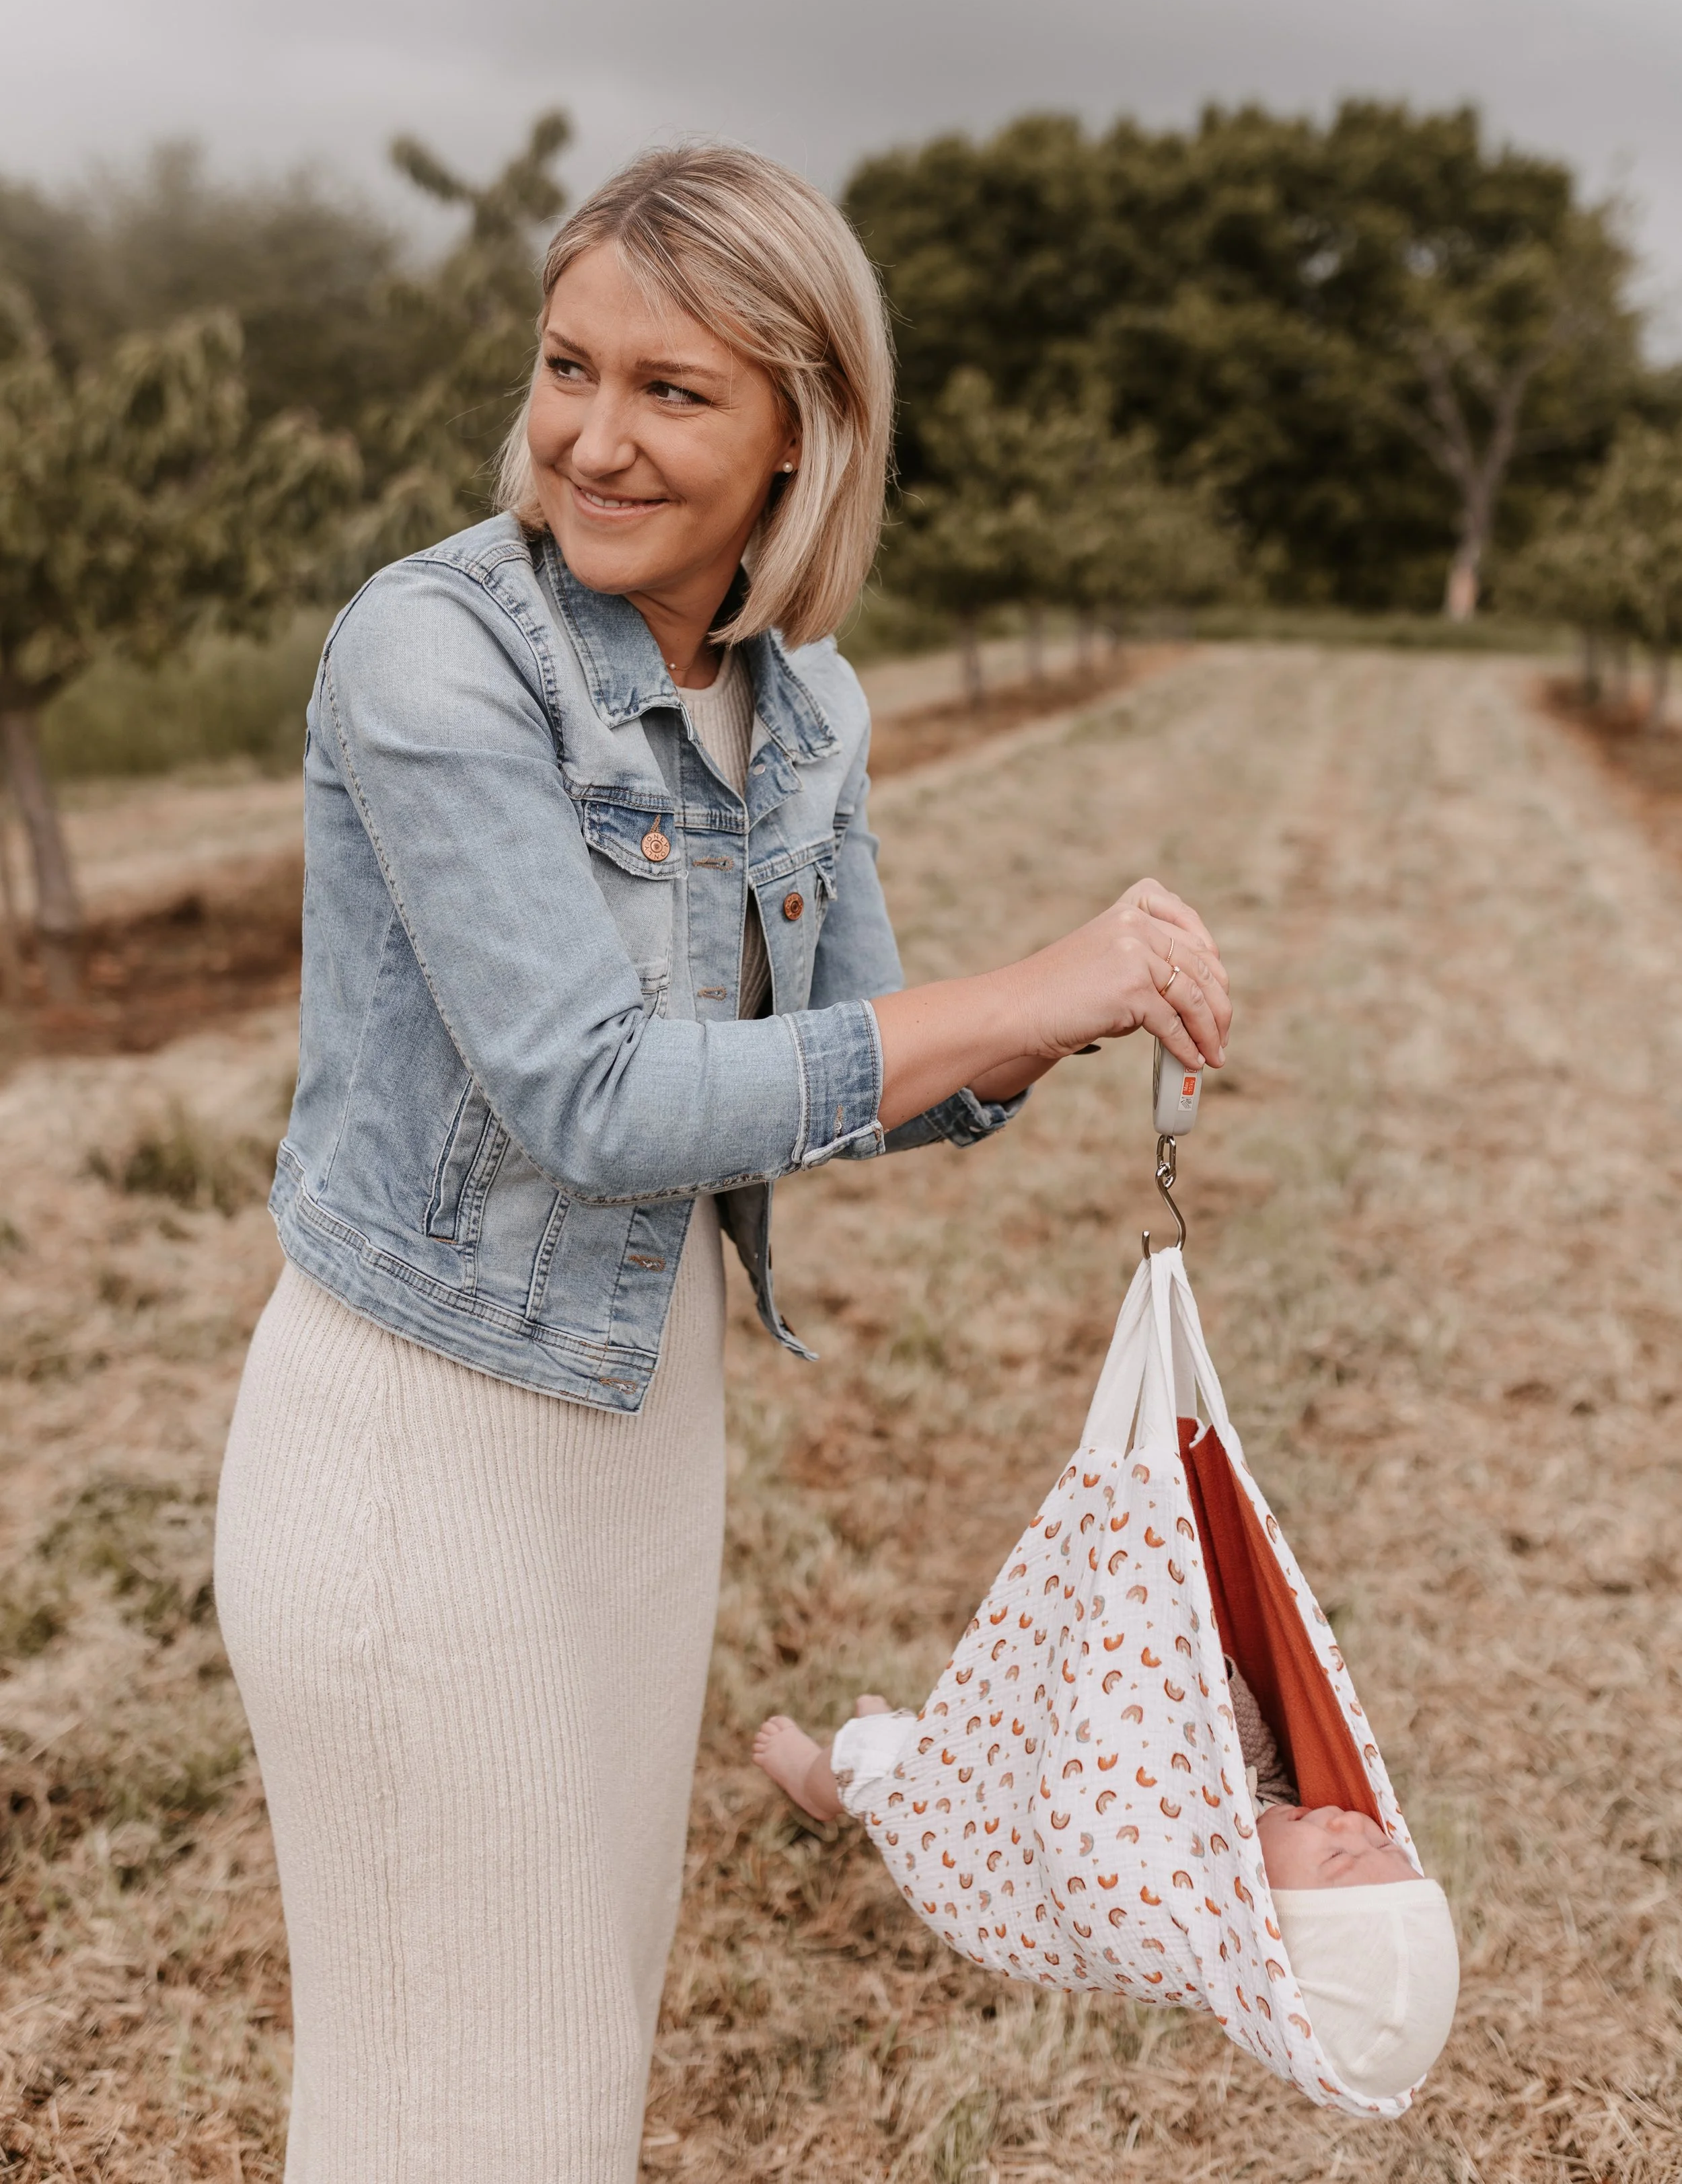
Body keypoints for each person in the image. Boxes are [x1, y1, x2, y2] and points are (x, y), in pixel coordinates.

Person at [214, 143, 1231, 2184]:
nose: (587, 435)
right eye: (565, 365)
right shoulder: (434, 658)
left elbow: (849, 1068)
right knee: (454, 2108)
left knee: (562, 2068)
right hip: (426, 1437)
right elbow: (595, 1094)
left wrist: (1062, 1008)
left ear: (799, 433)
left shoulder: (800, 702)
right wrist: (1011, 983)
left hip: (630, 1429)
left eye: (669, 389)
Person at [755, 1672, 1458, 2102]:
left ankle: (818, 1779)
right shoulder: (1278, 1805)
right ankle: (882, 1737)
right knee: (917, 1740)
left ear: (1271, 1927)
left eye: (1339, 1859)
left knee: (880, 1766)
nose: (1345, 1823)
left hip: (993, 1851)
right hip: (1039, 1754)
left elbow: (1085, 1860)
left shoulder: (1170, 1908)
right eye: (1376, 1838)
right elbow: (1240, 1721)